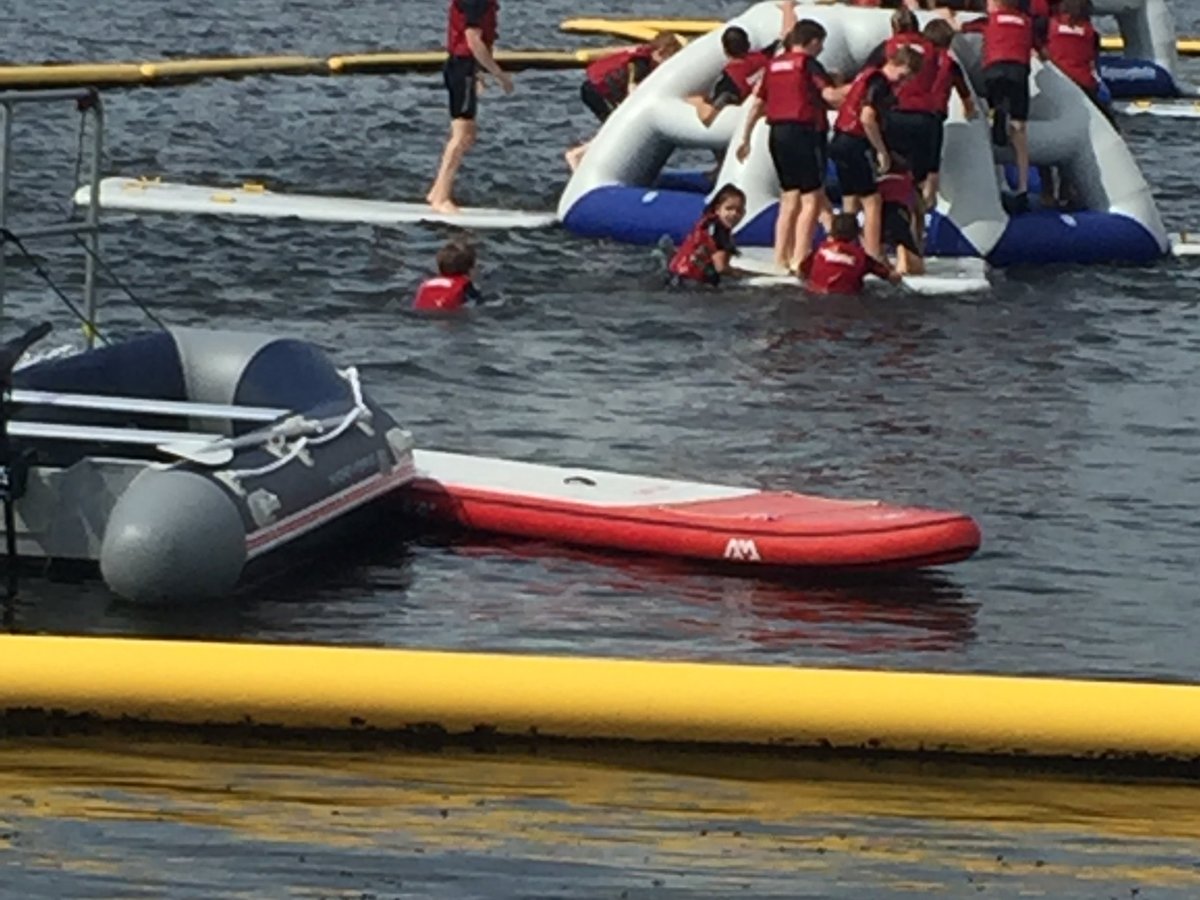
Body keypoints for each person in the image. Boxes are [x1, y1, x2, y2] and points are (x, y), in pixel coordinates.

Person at [736, 19, 844, 273]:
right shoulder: (808, 64)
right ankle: (800, 257)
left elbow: (757, 105)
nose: (821, 49)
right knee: (811, 198)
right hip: (806, 133)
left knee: (789, 196)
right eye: (821, 44)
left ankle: (780, 257)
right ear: (813, 41)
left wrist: (745, 138)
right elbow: (829, 95)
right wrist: (856, 91)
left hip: (778, 133)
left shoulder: (773, 66)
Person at [828, 45, 921, 261]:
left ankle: (843, 247)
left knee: (850, 198)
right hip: (856, 142)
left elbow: (845, 98)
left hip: (839, 140)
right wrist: (882, 151)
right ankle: (872, 256)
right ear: (901, 65)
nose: (903, 82)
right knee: (872, 200)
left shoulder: (865, 76)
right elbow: (867, 117)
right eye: (906, 76)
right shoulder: (880, 83)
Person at [947, 0, 1037, 213]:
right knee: (1020, 127)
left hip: (994, 68)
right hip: (1018, 70)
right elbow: (1037, 47)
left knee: (993, 96)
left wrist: (948, 15)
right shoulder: (1026, 21)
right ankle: (1023, 187)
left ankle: (996, 111)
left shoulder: (989, 20)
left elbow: (959, 27)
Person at [426, 0, 514, 215]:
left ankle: (436, 191)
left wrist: (478, 74)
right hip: (461, 67)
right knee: (461, 134)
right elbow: (472, 40)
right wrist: (499, 74)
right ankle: (441, 197)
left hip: (466, 68)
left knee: (468, 134)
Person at [566, 33, 683, 170]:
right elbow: (632, 89)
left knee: (614, 127)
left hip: (596, 89)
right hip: (597, 91)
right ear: (660, 53)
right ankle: (577, 154)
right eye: (669, 60)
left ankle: (595, 155)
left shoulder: (644, 54)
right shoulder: (641, 64)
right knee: (618, 127)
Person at [866, 9, 943, 216]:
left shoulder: (888, 47)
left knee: (889, 173)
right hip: (926, 117)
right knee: (921, 178)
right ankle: (919, 226)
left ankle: (885, 223)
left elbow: (868, 75)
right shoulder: (931, 49)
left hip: (895, 115)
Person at [922, 18, 977, 210]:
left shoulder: (919, 59)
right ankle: (928, 204)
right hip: (935, 117)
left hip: (914, 112)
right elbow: (966, 96)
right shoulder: (951, 65)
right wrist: (970, 112)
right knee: (932, 170)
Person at [800, 212, 901, 295]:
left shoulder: (819, 249)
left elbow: (801, 271)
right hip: (847, 299)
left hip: (816, 295)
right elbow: (891, 277)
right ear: (856, 234)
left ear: (832, 232)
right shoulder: (862, 257)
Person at [667, 184, 747, 286]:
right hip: (691, 282)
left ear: (744, 213)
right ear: (718, 209)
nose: (734, 214)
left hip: (675, 273)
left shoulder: (707, 223)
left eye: (739, 211)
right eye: (729, 208)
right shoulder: (720, 232)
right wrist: (738, 273)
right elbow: (720, 267)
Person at [877, 155, 924, 275]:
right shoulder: (907, 180)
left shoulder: (880, 182)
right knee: (902, 242)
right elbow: (916, 206)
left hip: (882, 212)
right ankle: (902, 266)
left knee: (881, 242)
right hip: (899, 211)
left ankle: (883, 264)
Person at [413, 240, 482, 311]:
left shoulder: (425, 284)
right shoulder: (466, 287)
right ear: (470, 269)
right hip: (448, 315)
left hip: (421, 313)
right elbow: (477, 301)